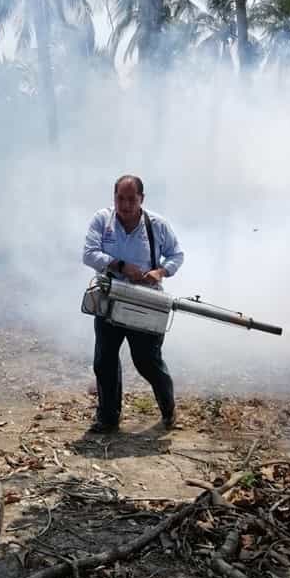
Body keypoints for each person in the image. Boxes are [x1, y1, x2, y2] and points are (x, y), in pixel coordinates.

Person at [82, 175, 184, 433]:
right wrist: (120, 265)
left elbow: (176, 255)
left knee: (147, 361)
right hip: (110, 298)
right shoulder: (102, 221)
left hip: (144, 301)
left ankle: (169, 410)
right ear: (114, 197)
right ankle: (108, 418)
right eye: (120, 198)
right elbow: (89, 254)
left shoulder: (157, 225)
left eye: (131, 199)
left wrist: (160, 272)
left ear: (142, 199)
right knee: (104, 360)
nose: (125, 205)